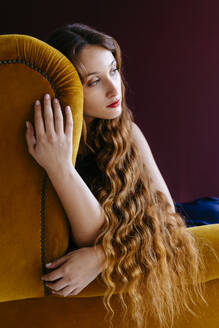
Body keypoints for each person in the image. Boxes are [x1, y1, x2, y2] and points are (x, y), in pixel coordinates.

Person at [25, 23, 206, 328]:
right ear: (65, 87)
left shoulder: (127, 132)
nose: (114, 89)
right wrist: (60, 166)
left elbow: (167, 215)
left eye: (113, 70)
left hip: (193, 220)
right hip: (149, 235)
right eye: (94, 81)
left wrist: (101, 256)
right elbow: (89, 232)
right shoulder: (51, 144)